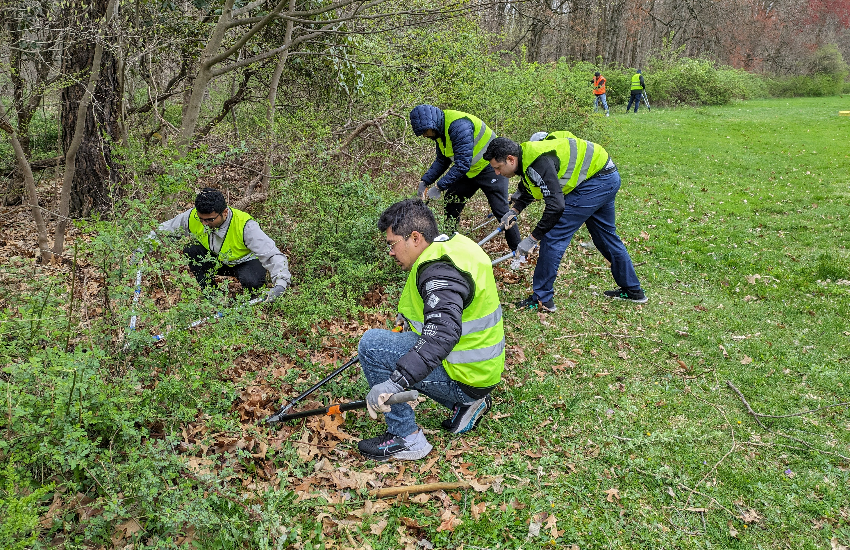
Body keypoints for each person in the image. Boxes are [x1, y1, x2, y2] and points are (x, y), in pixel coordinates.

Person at [357, 199, 505, 461]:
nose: (391, 252)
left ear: (415, 237)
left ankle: (407, 438)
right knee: (398, 346)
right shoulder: (454, 247)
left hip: (464, 377)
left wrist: (394, 383)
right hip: (480, 373)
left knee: (372, 346)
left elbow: (441, 334)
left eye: (393, 244)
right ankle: (468, 403)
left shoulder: (439, 272)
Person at [483, 136, 647, 312]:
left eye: (498, 168)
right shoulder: (526, 156)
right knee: (604, 236)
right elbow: (534, 184)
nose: (497, 173)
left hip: (596, 181)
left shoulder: (538, 162)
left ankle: (542, 299)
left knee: (553, 236)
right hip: (605, 175)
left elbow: (556, 207)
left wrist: (532, 239)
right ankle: (633, 290)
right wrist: (515, 211)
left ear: (510, 159)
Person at [409, 105, 521, 254]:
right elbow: (442, 161)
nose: (425, 135)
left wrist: (439, 187)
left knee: (501, 211)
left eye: (424, 132)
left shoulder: (459, 126)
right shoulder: (440, 133)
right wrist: (425, 181)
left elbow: (462, 164)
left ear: (432, 125)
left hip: (492, 168)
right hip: (470, 170)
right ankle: (451, 243)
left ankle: (518, 252)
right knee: (452, 201)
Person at [148, 188, 290, 302]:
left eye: (209, 219)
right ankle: (212, 296)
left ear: (224, 212)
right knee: (191, 249)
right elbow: (166, 228)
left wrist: (280, 284)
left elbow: (273, 255)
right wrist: (144, 244)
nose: (204, 223)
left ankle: (253, 300)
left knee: (252, 281)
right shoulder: (192, 216)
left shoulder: (245, 226)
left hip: (245, 262)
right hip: (218, 261)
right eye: (201, 218)